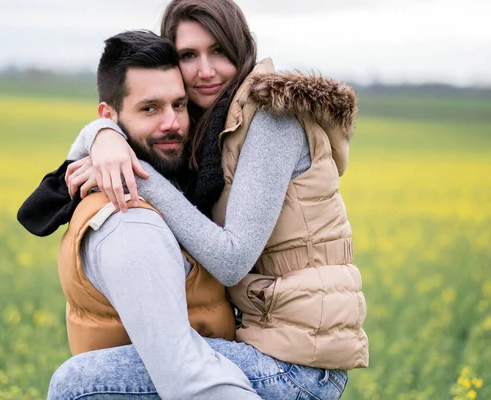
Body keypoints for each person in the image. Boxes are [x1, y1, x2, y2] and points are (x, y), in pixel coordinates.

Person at [41, 0, 368, 398]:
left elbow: (232, 260)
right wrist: (104, 135)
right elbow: (113, 132)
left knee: (79, 384)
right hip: (260, 343)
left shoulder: (272, 120)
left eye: (218, 51)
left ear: (241, 49)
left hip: (296, 368)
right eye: (188, 56)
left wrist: (136, 177)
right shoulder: (206, 125)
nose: (206, 70)